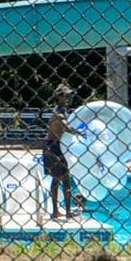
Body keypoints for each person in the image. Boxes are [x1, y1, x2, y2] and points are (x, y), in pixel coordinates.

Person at [44, 85, 84, 220]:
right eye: (66, 96)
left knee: (62, 179)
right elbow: (68, 129)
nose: (69, 98)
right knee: (61, 179)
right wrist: (82, 132)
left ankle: (62, 211)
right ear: (59, 97)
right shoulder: (59, 113)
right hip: (52, 147)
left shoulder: (63, 111)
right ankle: (61, 211)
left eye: (70, 96)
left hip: (57, 147)